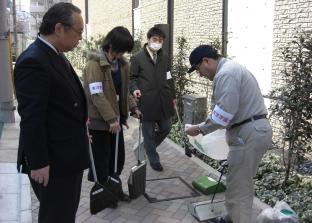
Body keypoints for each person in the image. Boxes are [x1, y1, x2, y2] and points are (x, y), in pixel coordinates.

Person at [14, 3, 88, 223]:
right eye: (79, 32)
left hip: (67, 155)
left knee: (65, 215)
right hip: (53, 162)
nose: (80, 38)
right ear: (59, 28)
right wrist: (38, 162)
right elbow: (32, 118)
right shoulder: (34, 61)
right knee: (57, 217)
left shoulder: (54, 54)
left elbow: (63, 106)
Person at [185, 45, 272, 223]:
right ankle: (231, 218)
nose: (200, 74)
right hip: (250, 130)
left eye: (198, 69)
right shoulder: (229, 70)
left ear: (206, 61)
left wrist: (199, 129)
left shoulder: (226, 74)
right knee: (237, 183)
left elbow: (223, 114)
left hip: (248, 133)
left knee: (239, 188)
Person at [83, 26, 140, 203]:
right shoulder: (95, 64)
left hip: (116, 120)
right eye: (121, 49)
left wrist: (133, 108)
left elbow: (124, 91)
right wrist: (110, 119)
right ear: (111, 45)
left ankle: (114, 188)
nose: (122, 53)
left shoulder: (122, 65)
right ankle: (105, 194)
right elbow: (97, 95)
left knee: (118, 160)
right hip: (100, 122)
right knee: (102, 161)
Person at [130, 26, 176, 171]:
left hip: (164, 99)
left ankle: (145, 148)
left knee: (167, 127)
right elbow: (132, 78)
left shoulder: (165, 57)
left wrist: (173, 96)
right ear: (148, 39)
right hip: (147, 101)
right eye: (155, 39)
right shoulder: (137, 58)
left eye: (160, 40)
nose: (157, 42)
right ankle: (153, 159)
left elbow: (169, 77)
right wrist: (135, 89)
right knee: (148, 133)